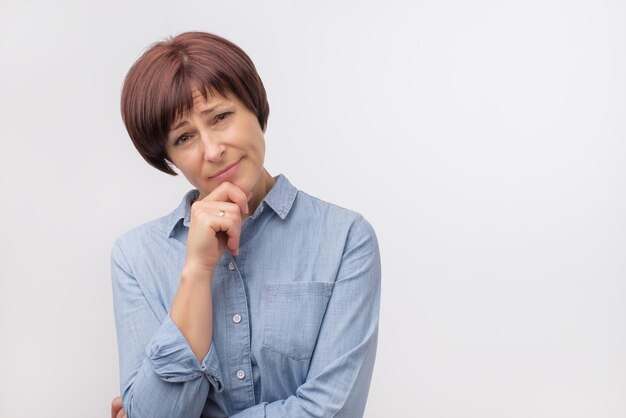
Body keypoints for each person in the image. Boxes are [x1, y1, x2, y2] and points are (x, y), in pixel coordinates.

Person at [110, 31, 381, 418]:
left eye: (220, 117)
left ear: (255, 108)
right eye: (184, 137)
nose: (212, 150)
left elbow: (333, 411)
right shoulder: (136, 256)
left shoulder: (345, 239)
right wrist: (197, 272)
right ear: (169, 159)